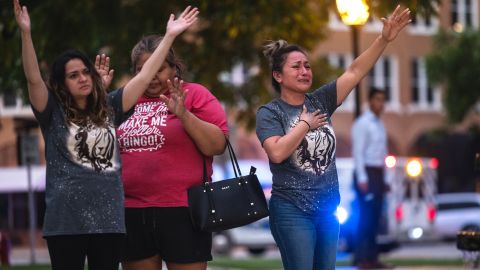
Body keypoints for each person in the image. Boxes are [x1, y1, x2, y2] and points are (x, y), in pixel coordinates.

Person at [13, 0, 198, 269]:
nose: (83, 78)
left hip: (108, 221)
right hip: (65, 222)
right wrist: (26, 33)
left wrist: (169, 36)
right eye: (73, 75)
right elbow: (32, 79)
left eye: (86, 72)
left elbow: (145, 77)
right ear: (62, 83)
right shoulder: (51, 113)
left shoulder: (111, 106)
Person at [255, 5, 410, 270]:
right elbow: (278, 152)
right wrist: (305, 123)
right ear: (278, 76)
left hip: (328, 210)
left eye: (307, 66)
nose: (305, 71)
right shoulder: (270, 113)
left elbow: (354, 72)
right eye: (296, 67)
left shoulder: (320, 100)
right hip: (292, 211)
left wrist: (384, 38)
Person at [116, 35, 229, 270]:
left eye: (159, 68)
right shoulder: (125, 100)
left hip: (184, 210)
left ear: (173, 67)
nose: (152, 76)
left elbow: (217, 145)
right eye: (144, 69)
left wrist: (184, 115)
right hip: (132, 211)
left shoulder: (195, 94)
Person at [352, 88, 390, 269]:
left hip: (378, 174)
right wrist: (362, 178)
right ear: (370, 101)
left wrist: (386, 180)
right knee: (365, 217)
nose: (380, 104)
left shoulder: (380, 124)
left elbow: (383, 154)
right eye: (377, 99)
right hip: (366, 173)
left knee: (376, 218)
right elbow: (358, 153)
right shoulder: (362, 123)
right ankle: (361, 259)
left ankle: (373, 259)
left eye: (383, 100)